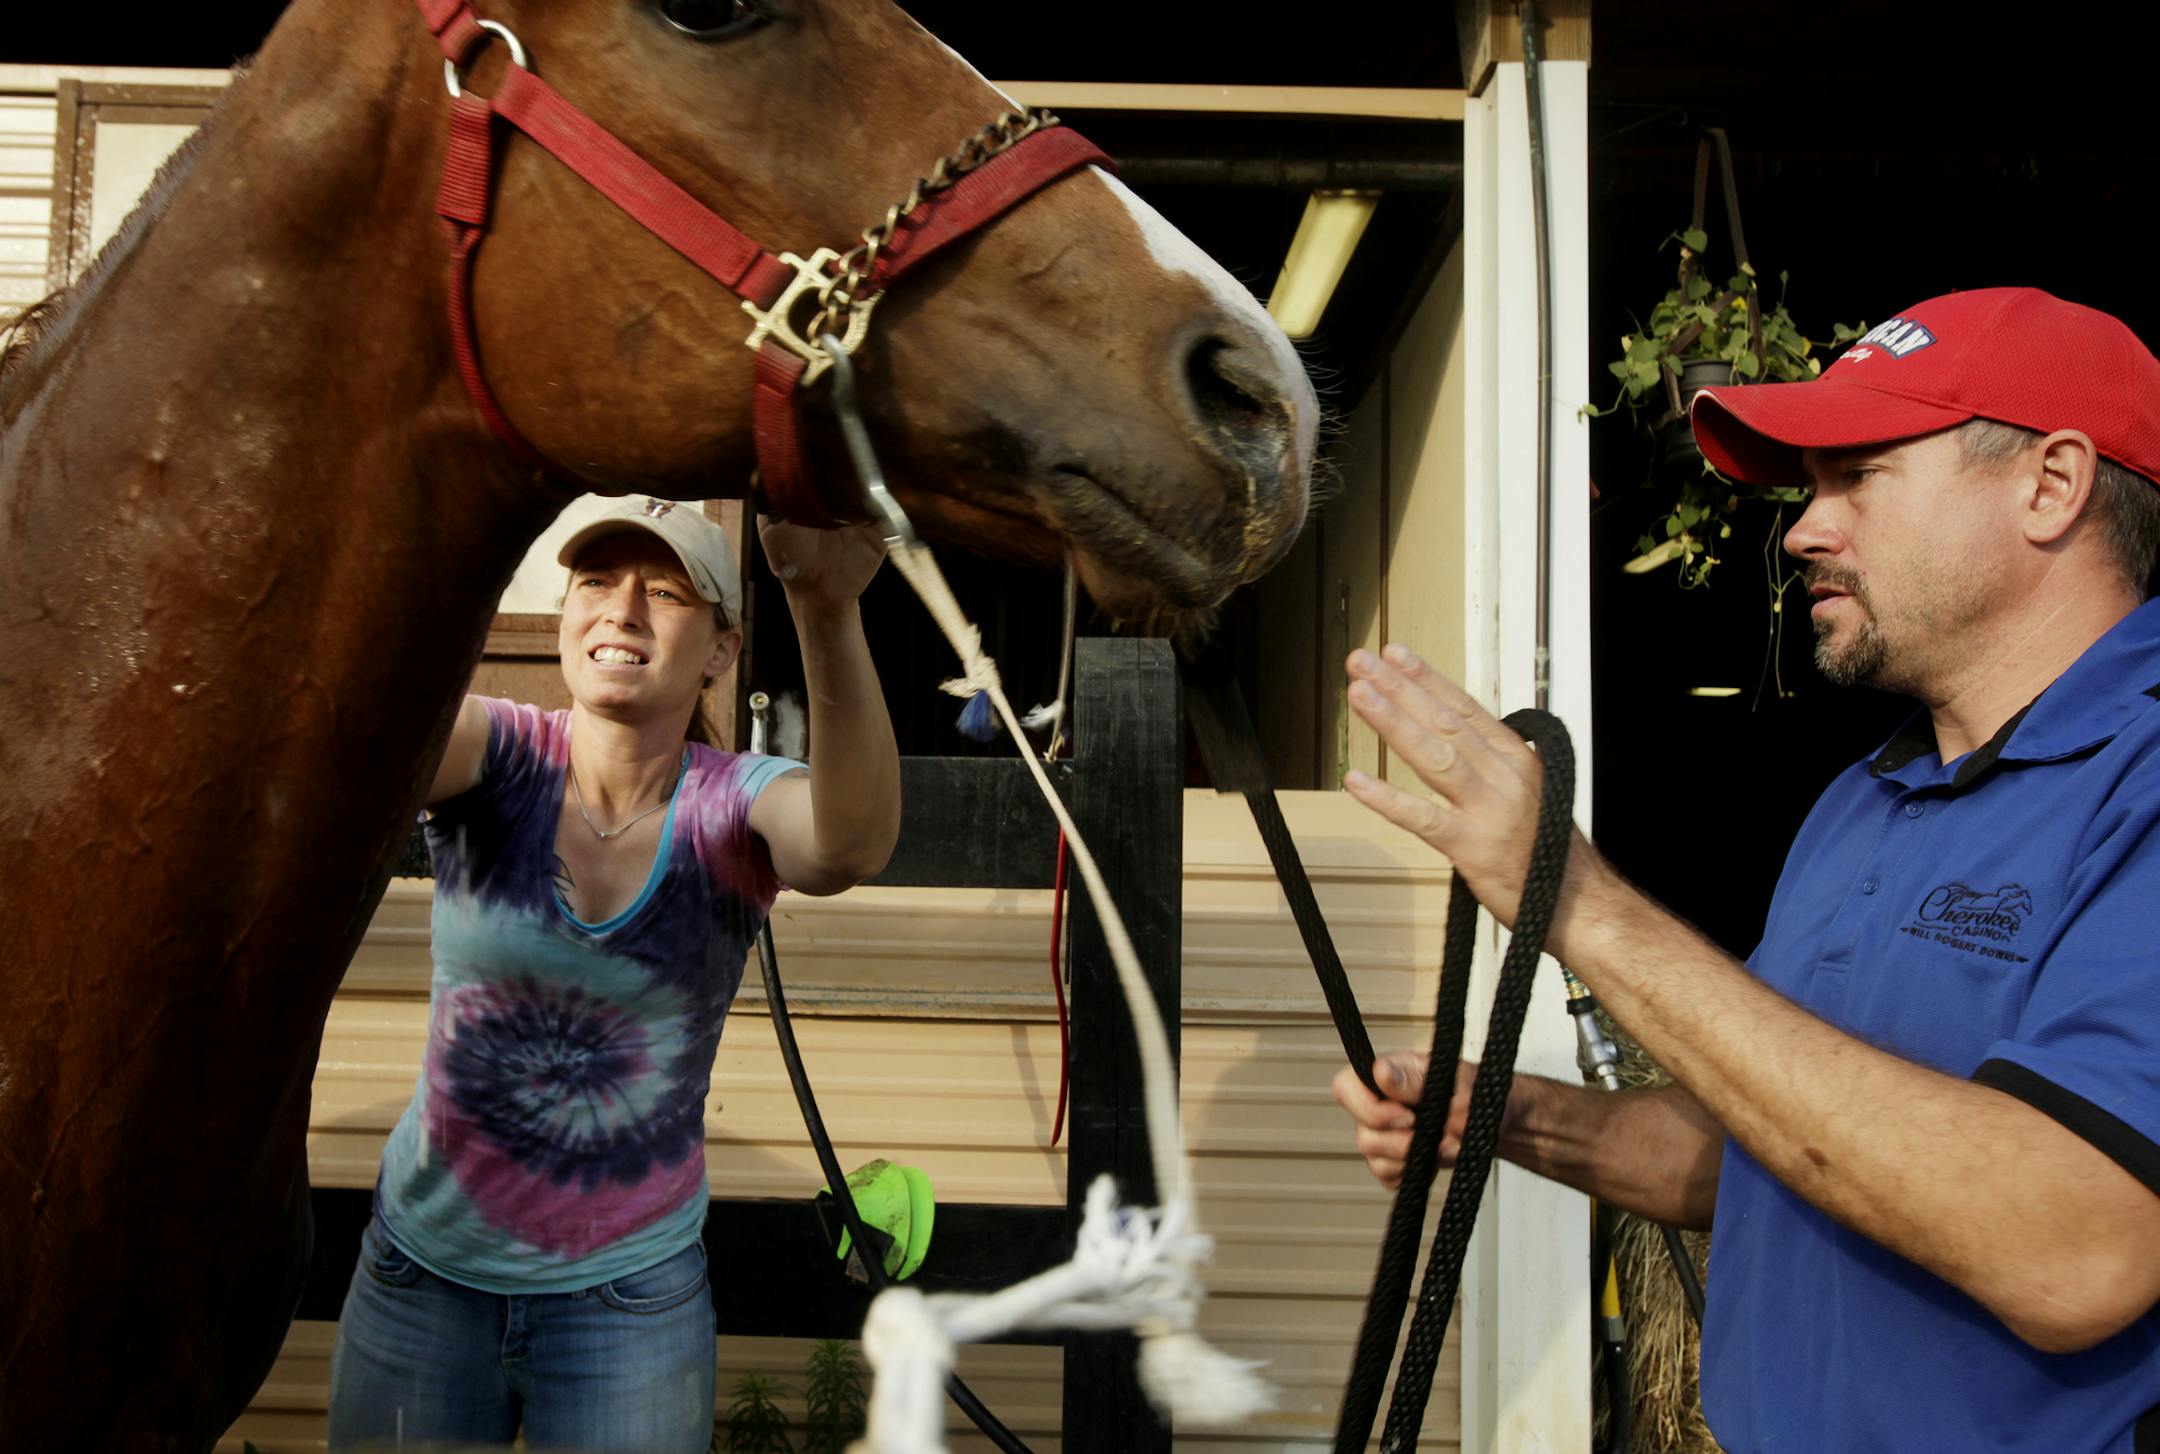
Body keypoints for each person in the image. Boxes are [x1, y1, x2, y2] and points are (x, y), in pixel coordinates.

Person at [1330, 288, 2160, 1451]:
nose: (1804, 528)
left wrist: (1580, 903)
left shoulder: (2141, 782)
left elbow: (2080, 1248)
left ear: (2051, 485)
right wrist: (1519, 1121)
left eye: (1857, 474)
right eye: (1810, 487)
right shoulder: (1865, 799)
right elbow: (1766, 1148)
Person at [326, 497, 899, 1452]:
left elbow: (850, 843)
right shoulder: (498, 752)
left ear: (719, 650)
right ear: (565, 618)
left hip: (626, 1307)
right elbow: (363, 738)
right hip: (422, 1280)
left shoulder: (732, 803)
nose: (622, 609)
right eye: (596, 582)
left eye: (665, 592)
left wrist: (825, 606)